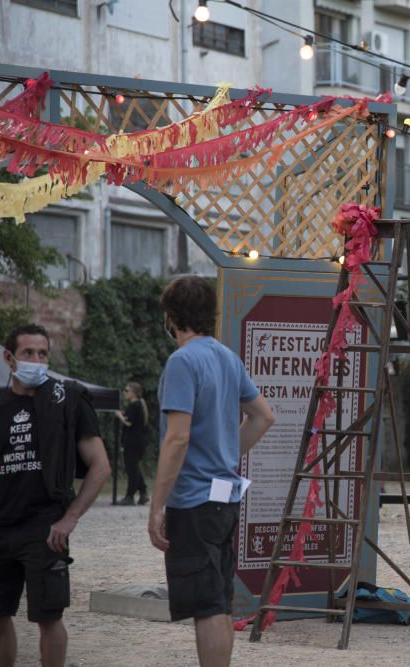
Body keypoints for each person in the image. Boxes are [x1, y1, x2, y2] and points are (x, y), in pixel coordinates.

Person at [149, 276, 275, 667]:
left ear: (170, 316)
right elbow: (263, 417)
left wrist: (157, 504)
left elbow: (177, 439)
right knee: (218, 601)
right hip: (225, 494)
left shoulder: (181, 361)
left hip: (194, 497)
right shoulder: (225, 356)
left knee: (205, 606)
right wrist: (226, 452)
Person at [0, 324, 111, 667]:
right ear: (9, 358)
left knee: (48, 618)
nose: (37, 361)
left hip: (45, 527)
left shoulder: (67, 401)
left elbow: (100, 467)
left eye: (43, 354)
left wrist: (69, 518)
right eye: (28, 353)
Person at [116, 381, 149, 506]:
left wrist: (119, 415)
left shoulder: (135, 405)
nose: (125, 393)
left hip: (133, 442)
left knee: (131, 469)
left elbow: (128, 422)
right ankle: (143, 493)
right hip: (137, 442)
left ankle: (130, 496)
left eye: (127, 390)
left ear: (134, 393)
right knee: (134, 468)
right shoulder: (138, 405)